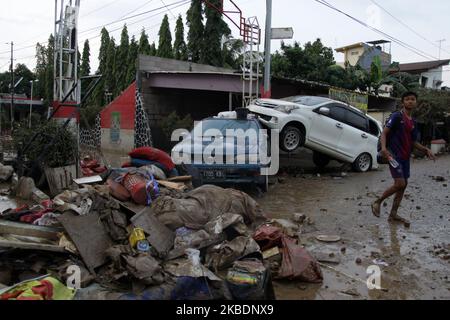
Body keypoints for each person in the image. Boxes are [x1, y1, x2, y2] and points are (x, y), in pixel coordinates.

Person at [372, 91, 436, 225]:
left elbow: (414, 142)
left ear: (416, 102)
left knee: (403, 186)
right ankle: (378, 201)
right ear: (403, 102)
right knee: (400, 183)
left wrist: (426, 150)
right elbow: (384, 133)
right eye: (407, 99)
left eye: (413, 99)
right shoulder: (396, 116)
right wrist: (383, 149)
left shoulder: (413, 122)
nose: (410, 101)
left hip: (406, 157)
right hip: (394, 156)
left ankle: (393, 215)